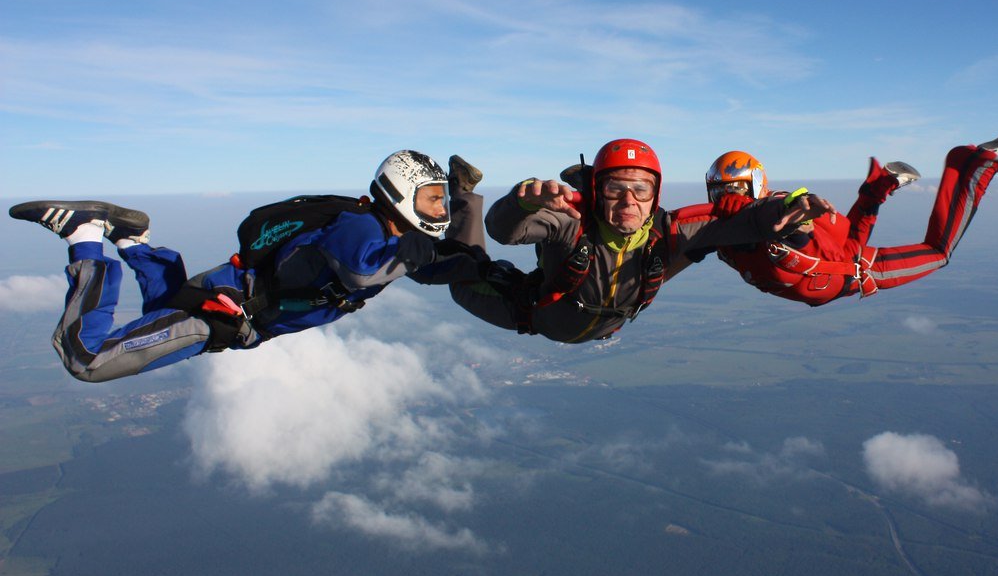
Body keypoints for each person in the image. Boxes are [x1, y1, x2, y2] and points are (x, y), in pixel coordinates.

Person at [9, 151, 494, 382]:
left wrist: (473, 260)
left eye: (440, 201)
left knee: (160, 307)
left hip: (227, 302)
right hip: (221, 313)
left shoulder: (390, 239)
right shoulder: (362, 229)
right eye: (431, 200)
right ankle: (86, 236)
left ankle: (134, 241)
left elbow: (419, 267)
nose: (439, 211)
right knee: (87, 359)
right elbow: (361, 275)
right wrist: (426, 252)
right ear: (397, 194)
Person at [445, 138, 835, 342]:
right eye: (616, 188)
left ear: (656, 193)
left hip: (598, 319)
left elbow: (738, 219)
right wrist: (521, 201)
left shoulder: (669, 229)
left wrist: (783, 212)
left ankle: (591, 175)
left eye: (641, 189)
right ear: (599, 192)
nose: (630, 200)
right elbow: (503, 231)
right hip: (534, 313)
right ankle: (463, 191)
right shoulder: (571, 221)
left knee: (692, 243)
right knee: (463, 278)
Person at [701, 135, 998, 305]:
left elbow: (793, 222)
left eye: (734, 189)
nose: (725, 197)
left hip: (855, 270)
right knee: (849, 244)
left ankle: (972, 167)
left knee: (939, 252)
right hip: (838, 260)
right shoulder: (716, 232)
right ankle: (879, 186)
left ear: (756, 185)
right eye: (719, 190)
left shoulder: (775, 218)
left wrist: (792, 212)